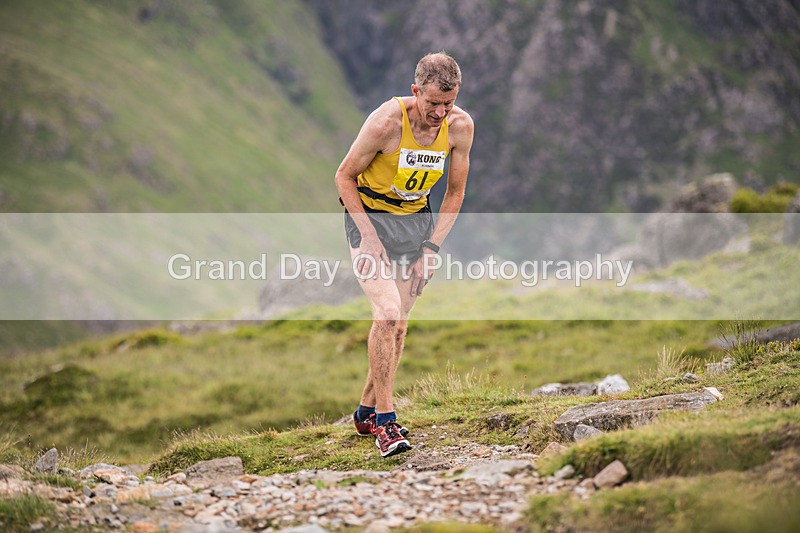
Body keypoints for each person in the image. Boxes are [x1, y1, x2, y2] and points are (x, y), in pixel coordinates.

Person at [334, 52, 474, 458]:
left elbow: (455, 192)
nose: (440, 112)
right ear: (415, 92)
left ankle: (364, 411)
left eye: (448, 103)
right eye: (433, 103)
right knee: (388, 314)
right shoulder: (385, 123)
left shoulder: (460, 127)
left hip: (416, 225)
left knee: (396, 326)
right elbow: (343, 176)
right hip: (370, 221)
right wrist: (368, 236)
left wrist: (432, 248)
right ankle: (385, 422)